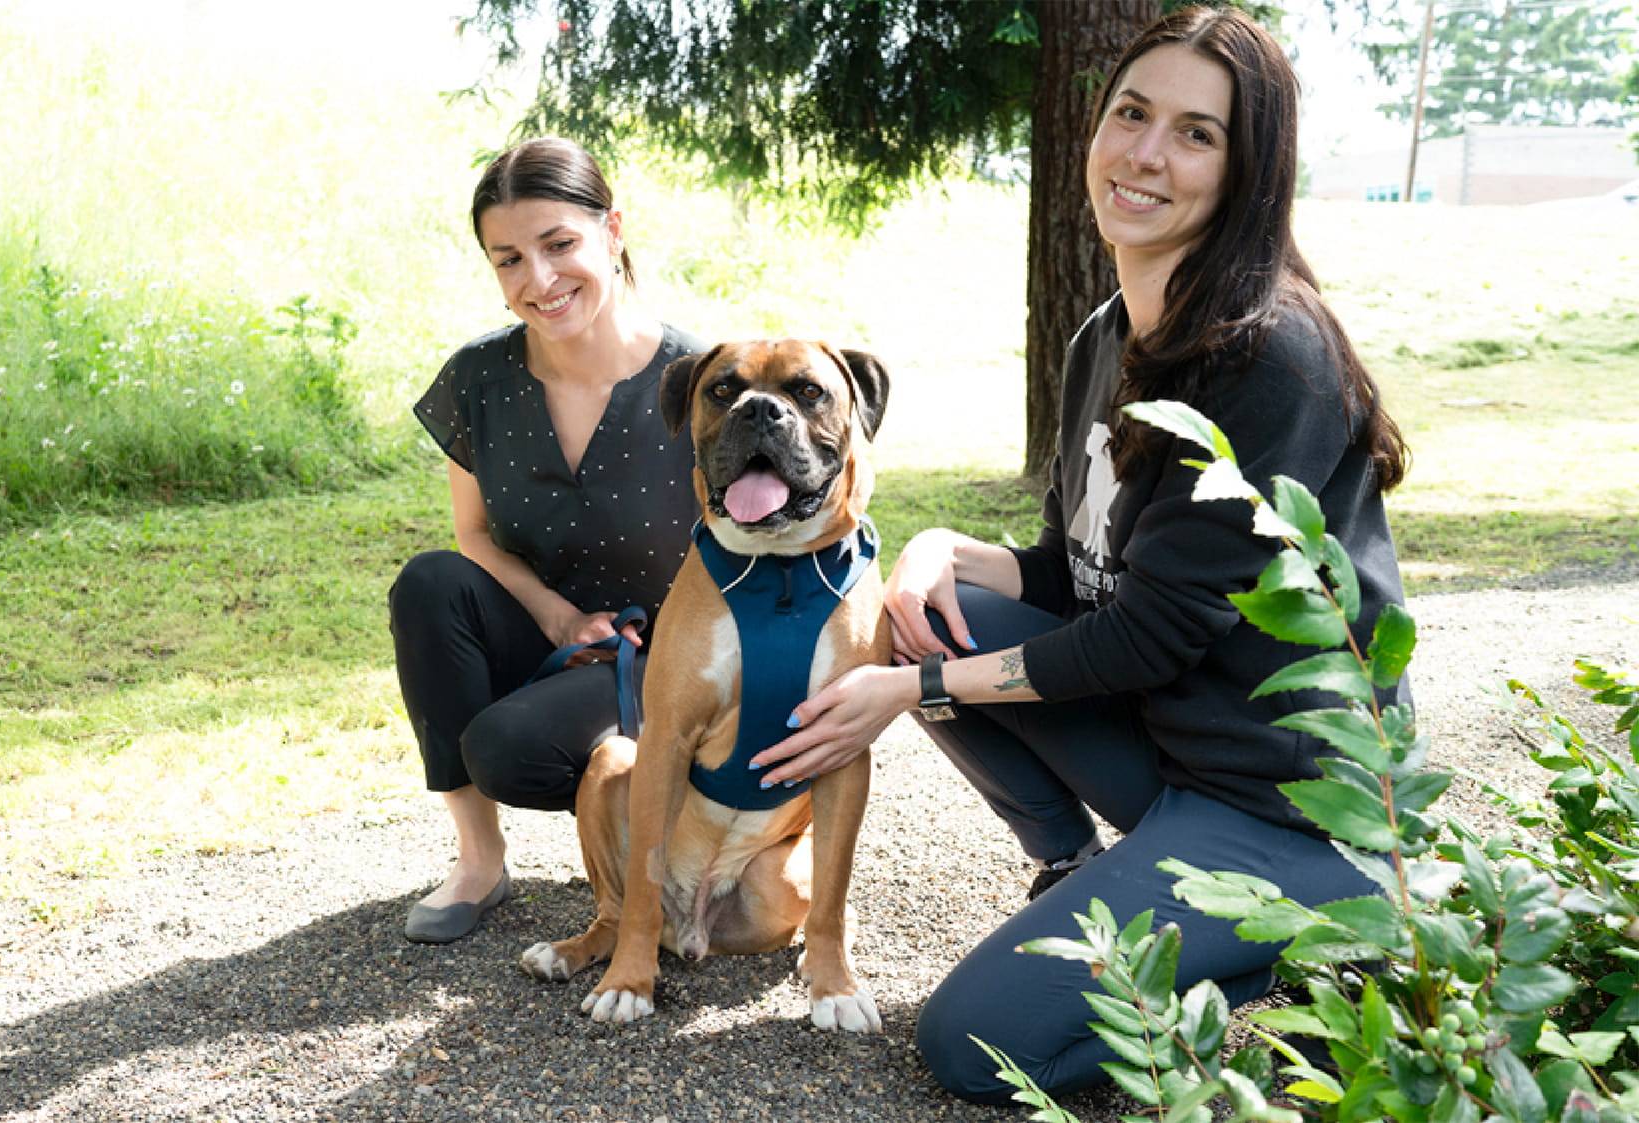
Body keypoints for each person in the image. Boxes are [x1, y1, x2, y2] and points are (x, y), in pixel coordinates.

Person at [744, 6, 1411, 1103]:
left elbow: (1148, 633)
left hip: (1289, 808)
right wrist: (939, 549)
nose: (1146, 153)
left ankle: (1306, 943)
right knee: (924, 608)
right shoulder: (1103, 336)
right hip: (1174, 758)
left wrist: (909, 688)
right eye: (1131, 114)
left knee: (971, 1047)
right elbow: (1074, 571)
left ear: (1249, 173)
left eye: (1196, 134)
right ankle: (1075, 869)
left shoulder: (1268, 355)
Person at [387, 138, 706, 945]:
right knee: (428, 584)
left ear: (613, 231)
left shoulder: (700, 379)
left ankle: (658, 805)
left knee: (506, 749)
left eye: (559, 244)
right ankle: (479, 862)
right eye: (509, 260)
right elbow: (474, 536)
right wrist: (561, 619)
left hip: (661, 657)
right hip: (545, 631)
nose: (539, 279)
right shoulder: (478, 379)